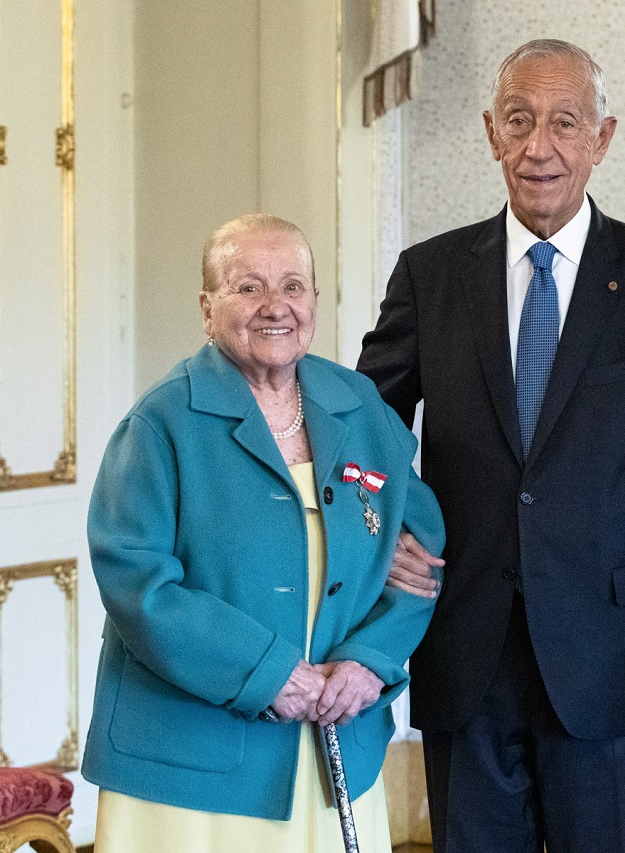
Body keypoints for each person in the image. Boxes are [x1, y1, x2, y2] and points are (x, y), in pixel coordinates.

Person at [358, 39, 625, 853]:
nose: (541, 147)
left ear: (602, 139)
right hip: (465, 652)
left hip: (615, 664)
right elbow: (363, 432)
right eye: (520, 120)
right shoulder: (429, 275)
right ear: (491, 133)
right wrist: (379, 536)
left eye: (565, 122)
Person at [82, 213, 445, 853]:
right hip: (190, 761)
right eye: (248, 287)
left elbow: (419, 557)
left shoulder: (358, 404)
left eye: (292, 286)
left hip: (334, 741)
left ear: (314, 300)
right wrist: (266, 671)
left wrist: (370, 660)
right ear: (207, 308)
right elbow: (137, 585)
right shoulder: (161, 422)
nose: (275, 306)